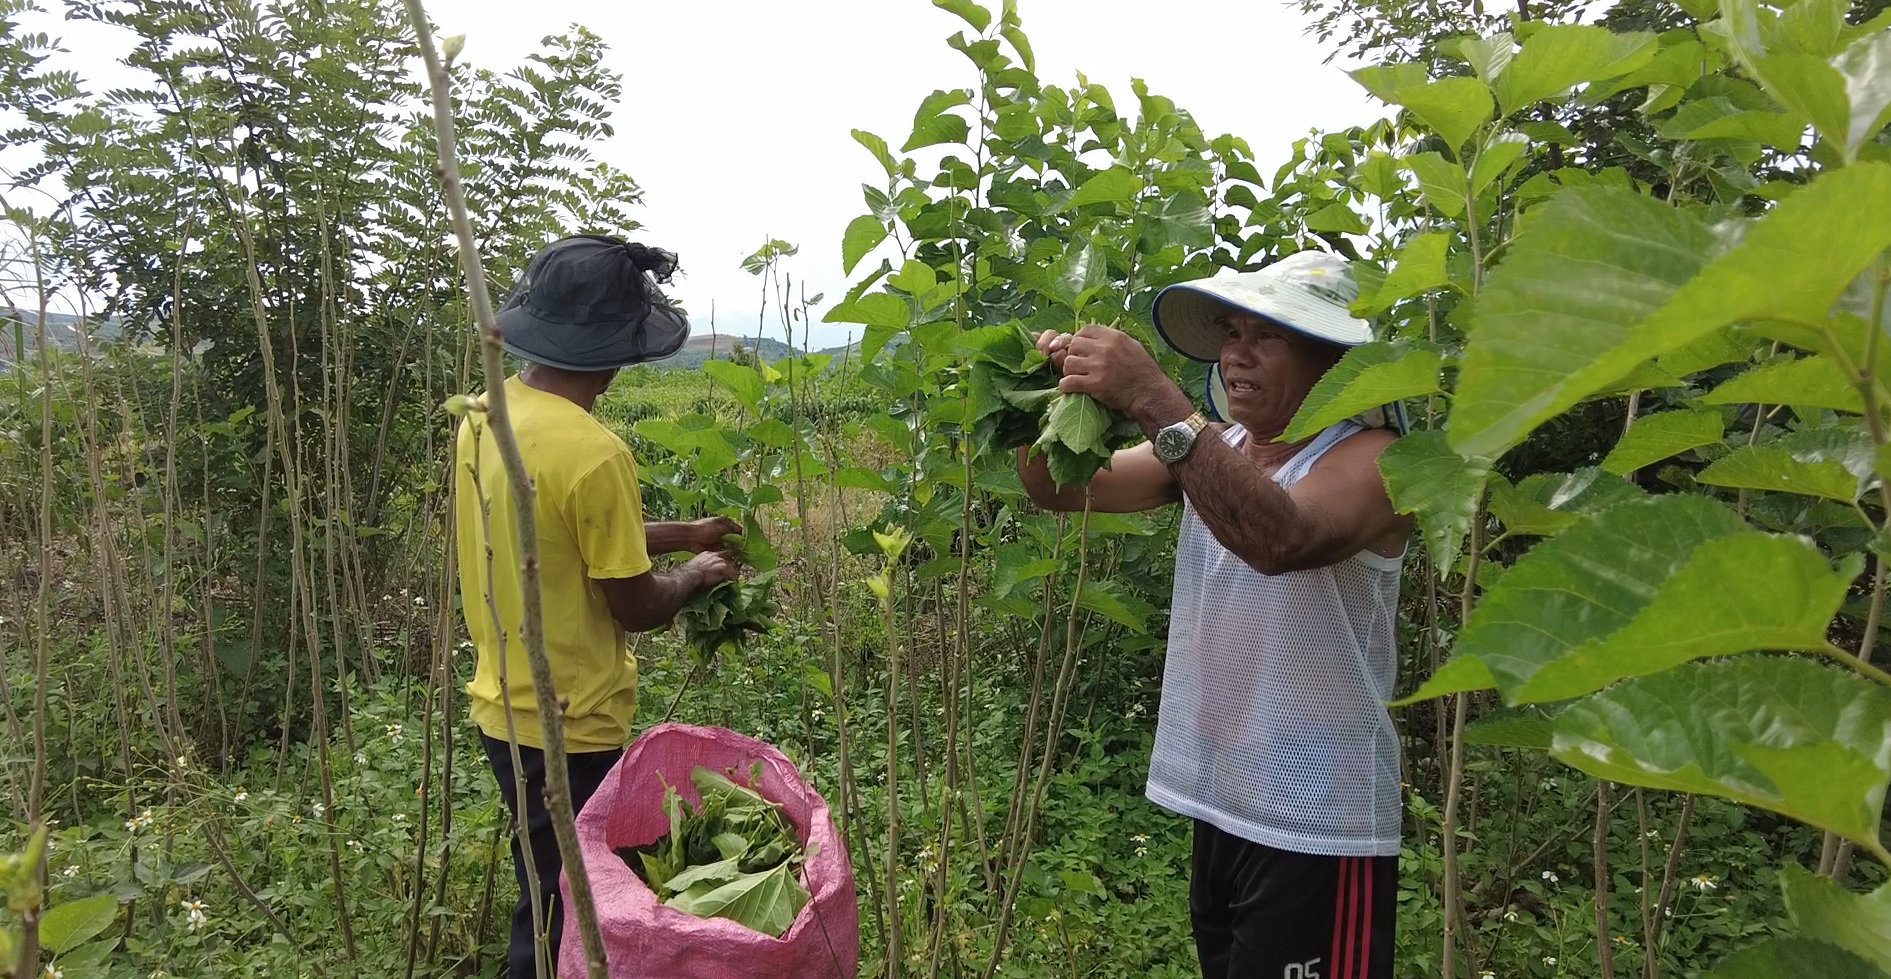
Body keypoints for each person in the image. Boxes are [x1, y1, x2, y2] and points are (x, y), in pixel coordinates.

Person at [1017, 251, 1412, 979]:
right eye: (1231, 333)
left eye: (1268, 336)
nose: (1236, 354)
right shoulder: (1214, 451)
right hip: (1226, 803)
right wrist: (1035, 393)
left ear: (1339, 359)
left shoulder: (1378, 460)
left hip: (1319, 820)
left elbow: (1280, 536)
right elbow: (1061, 487)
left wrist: (1152, 394)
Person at [454, 234, 740, 978]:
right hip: (570, 721)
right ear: (617, 351)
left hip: (499, 705)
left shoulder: (485, 414)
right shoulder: (595, 451)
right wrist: (699, 573)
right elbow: (638, 603)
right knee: (557, 910)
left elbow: (555, 533)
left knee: (545, 881)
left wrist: (683, 533)